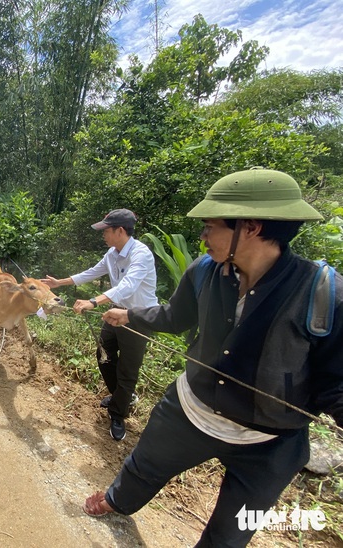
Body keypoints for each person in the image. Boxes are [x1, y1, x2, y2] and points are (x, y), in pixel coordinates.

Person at [83, 168, 343, 547]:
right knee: (144, 466)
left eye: (210, 225)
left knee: (233, 532)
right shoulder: (204, 271)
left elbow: (335, 382)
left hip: (268, 443)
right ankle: (117, 500)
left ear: (250, 228)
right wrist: (130, 315)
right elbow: (174, 316)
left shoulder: (324, 294)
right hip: (189, 411)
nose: (202, 235)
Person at [42, 209, 158, 441]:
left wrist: (94, 302)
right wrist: (59, 282)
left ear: (120, 231)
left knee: (128, 369)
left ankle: (118, 413)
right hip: (115, 313)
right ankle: (121, 396)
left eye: (106, 230)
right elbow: (92, 272)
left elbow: (128, 285)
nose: (103, 235)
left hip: (137, 317)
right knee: (103, 354)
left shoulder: (140, 254)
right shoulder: (112, 254)